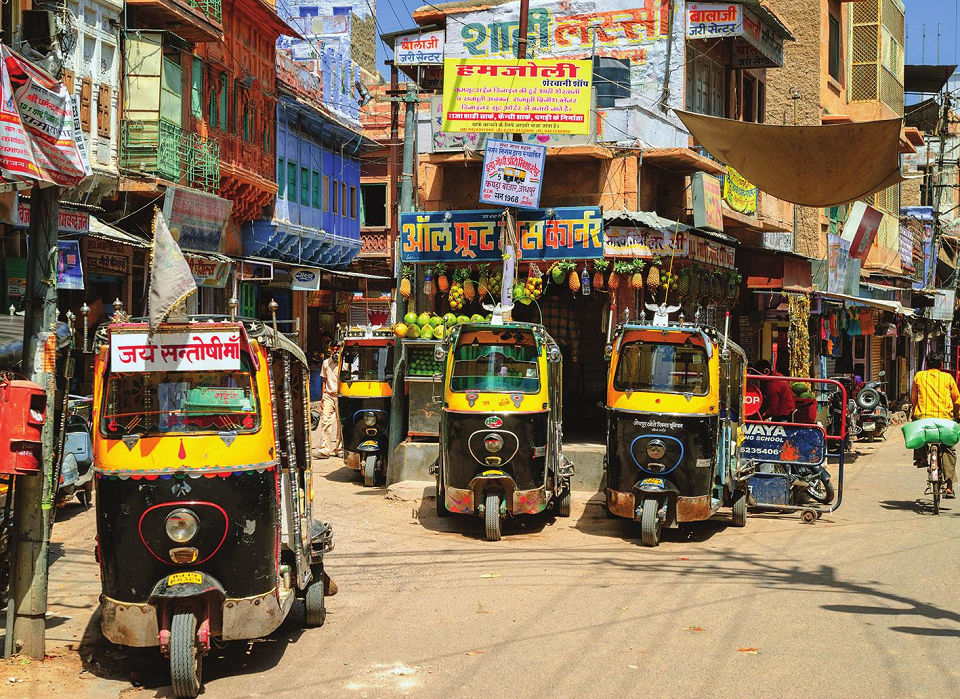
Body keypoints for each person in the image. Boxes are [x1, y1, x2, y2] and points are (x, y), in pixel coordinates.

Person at [911, 352, 959, 498]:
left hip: (924, 419)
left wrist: (915, 411)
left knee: (916, 431)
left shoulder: (919, 376)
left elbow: (914, 398)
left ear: (926, 365)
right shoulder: (948, 377)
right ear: (941, 365)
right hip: (944, 420)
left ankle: (922, 457)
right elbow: (956, 400)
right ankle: (949, 485)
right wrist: (956, 415)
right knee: (949, 449)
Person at [315, 346, 342, 459]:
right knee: (326, 421)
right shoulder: (326, 363)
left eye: (338, 349)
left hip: (340, 395)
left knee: (340, 423)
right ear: (330, 350)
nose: (335, 351)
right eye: (333, 349)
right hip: (328, 395)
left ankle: (339, 449)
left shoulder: (345, 362)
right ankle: (324, 449)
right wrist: (322, 397)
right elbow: (324, 380)